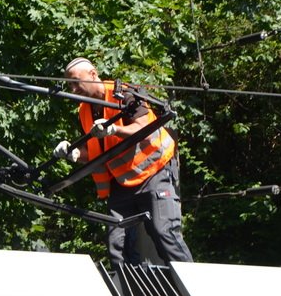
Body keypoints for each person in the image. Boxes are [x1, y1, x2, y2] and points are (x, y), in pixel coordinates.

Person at [53, 57, 193, 266]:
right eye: (70, 85)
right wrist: (74, 153)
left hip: (154, 172)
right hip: (122, 182)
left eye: (75, 82)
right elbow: (99, 151)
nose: (73, 89)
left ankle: (191, 293)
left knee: (164, 233)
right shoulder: (84, 111)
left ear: (93, 74)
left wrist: (115, 129)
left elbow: (144, 130)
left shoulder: (124, 93)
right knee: (117, 246)